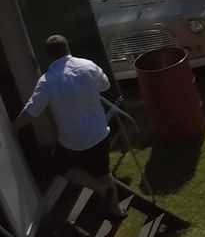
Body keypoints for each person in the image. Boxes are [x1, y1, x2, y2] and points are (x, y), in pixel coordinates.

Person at [12, 36, 126, 220]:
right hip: (100, 133)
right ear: (67, 48)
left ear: (49, 55)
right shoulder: (88, 66)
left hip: (74, 141)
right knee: (103, 172)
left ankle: (100, 189)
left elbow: (32, 112)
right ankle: (117, 210)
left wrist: (15, 125)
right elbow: (105, 85)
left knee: (61, 166)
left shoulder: (47, 81)